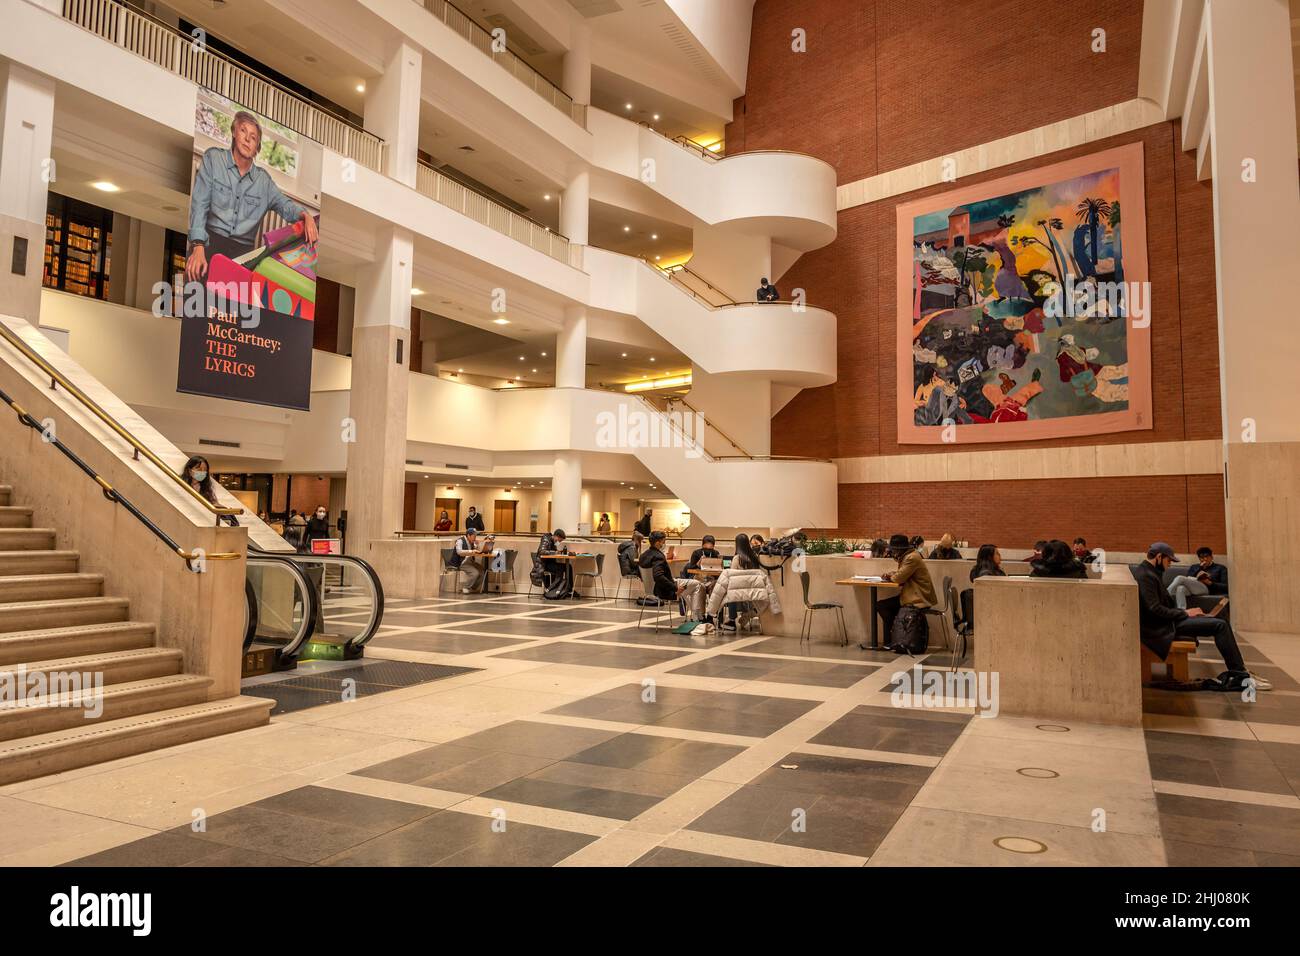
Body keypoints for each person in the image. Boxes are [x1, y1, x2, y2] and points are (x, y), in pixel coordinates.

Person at [186, 110, 319, 282]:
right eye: (243, 131)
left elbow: (286, 206)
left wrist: (306, 215)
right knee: (195, 290)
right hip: (209, 241)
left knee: (232, 306)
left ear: (257, 148)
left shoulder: (264, 182)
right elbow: (199, 204)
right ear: (234, 132)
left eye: (254, 137)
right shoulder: (213, 158)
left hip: (241, 253)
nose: (248, 139)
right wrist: (198, 246)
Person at [1135, 543, 1268, 691]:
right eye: (1169, 561)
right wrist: (1185, 613)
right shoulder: (1146, 575)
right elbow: (1154, 609)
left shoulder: (1149, 572)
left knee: (1219, 622)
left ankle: (1240, 672)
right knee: (1220, 625)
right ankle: (1239, 675)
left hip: (1167, 622)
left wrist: (1187, 612)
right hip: (1162, 628)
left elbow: (1159, 606)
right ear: (1159, 557)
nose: (1170, 565)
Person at [864, 533, 938, 652]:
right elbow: (902, 573)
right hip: (912, 594)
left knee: (883, 606)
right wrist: (891, 574)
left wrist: (890, 576)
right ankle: (894, 639)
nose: (892, 552)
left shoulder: (911, 558)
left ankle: (892, 641)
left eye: (893, 550)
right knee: (883, 606)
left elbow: (899, 578)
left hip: (918, 597)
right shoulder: (908, 556)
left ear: (899, 549)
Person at [707, 533, 782, 630]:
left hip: (738, 592)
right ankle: (747, 615)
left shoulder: (737, 558)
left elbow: (732, 576)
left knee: (728, 591)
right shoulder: (755, 557)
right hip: (753, 592)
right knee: (732, 591)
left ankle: (731, 620)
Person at [639, 531, 705, 620]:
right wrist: (675, 588)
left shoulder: (643, 556)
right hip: (665, 589)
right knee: (698, 585)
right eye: (663, 541)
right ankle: (698, 618)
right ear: (658, 543)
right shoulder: (659, 557)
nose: (664, 544)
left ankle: (694, 615)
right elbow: (658, 576)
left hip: (651, 589)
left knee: (688, 587)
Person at [180, 456, 238, 527]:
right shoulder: (181, 484)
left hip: (204, 521)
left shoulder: (205, 487)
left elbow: (213, 502)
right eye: (199, 468)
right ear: (189, 470)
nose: (202, 472)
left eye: (205, 470)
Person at [449, 528, 487, 593]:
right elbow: (459, 552)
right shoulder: (460, 541)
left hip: (469, 561)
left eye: (475, 536)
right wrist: (471, 551)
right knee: (475, 573)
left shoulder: (471, 542)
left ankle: (473, 587)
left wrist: (477, 545)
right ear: (468, 535)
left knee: (482, 571)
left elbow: (477, 550)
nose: (475, 538)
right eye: (474, 536)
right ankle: (466, 587)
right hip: (461, 563)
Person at [538, 528, 571, 598]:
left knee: (569, 567)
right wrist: (555, 552)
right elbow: (542, 551)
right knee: (561, 567)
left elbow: (553, 551)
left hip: (550, 563)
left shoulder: (553, 542)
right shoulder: (546, 540)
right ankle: (557, 589)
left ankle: (569, 589)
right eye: (559, 540)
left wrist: (558, 552)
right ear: (556, 536)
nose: (559, 542)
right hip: (544, 565)